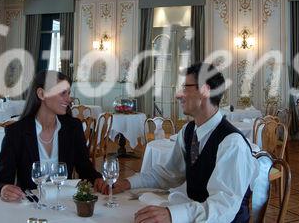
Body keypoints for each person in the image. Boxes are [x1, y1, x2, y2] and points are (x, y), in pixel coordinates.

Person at [106, 63, 258, 223]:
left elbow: (223, 207)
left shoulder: (232, 143)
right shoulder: (188, 131)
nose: (179, 95)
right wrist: (127, 183)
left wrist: (172, 215)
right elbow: (169, 174)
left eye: (185, 87)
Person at [0, 70, 103, 200]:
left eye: (68, 93)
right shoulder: (16, 132)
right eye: (62, 93)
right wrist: (3, 189)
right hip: (30, 207)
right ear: (41, 94)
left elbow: (85, 167)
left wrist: (97, 179)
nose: (69, 99)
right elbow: (0, 182)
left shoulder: (73, 127)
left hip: (64, 205)